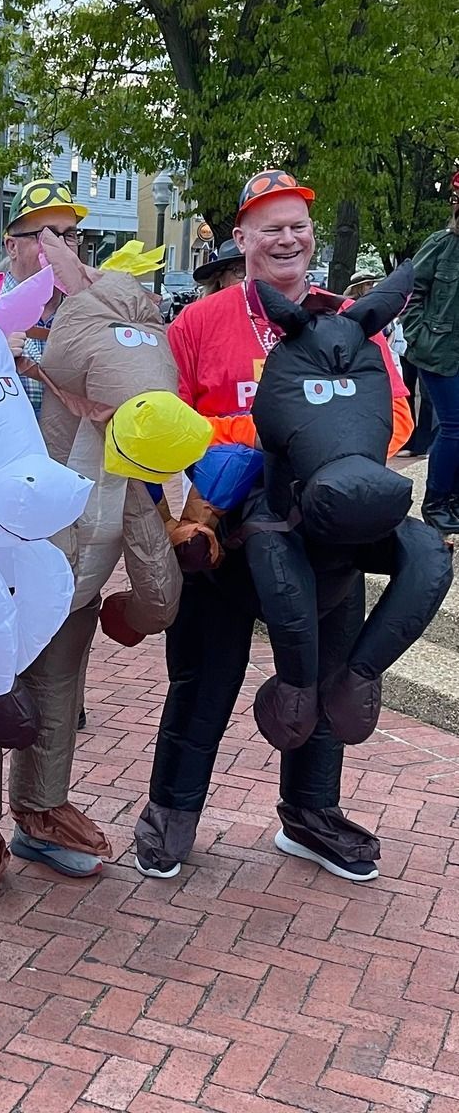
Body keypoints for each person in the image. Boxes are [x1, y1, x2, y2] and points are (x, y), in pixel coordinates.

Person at [133, 169, 412, 884]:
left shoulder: (349, 320)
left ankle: (310, 816)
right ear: (242, 239)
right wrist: (257, 436)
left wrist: (327, 456)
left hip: (323, 536)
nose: (286, 238)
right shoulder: (199, 323)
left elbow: (396, 420)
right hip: (223, 537)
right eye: (270, 226)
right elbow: (160, 422)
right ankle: (170, 813)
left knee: (321, 680)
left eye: (297, 225)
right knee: (203, 680)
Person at [402, 169, 459, 529]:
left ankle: (452, 500)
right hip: (439, 352)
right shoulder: (441, 245)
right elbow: (410, 293)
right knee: (454, 426)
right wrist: (419, 335)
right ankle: (436, 502)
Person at [3, 180, 90, 412]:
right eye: (46, 236)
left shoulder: (91, 314)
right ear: (12, 247)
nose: (60, 247)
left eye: (69, 235)